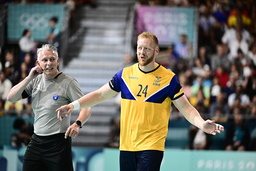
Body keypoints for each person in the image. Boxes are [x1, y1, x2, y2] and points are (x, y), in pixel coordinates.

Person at [56, 32, 224, 171]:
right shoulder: (125, 74)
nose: (142, 52)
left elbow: (186, 108)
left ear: (156, 51)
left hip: (152, 145)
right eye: (139, 48)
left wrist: (201, 124)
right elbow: (99, 95)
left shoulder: (168, 78)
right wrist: (73, 105)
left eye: (147, 49)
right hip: (127, 145)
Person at [7, 44, 92, 171]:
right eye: (44, 60)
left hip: (58, 144)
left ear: (58, 61)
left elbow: (87, 108)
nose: (49, 63)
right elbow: (11, 98)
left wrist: (77, 124)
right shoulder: (35, 81)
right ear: (38, 63)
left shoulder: (68, 82)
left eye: (52, 59)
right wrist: (29, 77)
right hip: (36, 141)